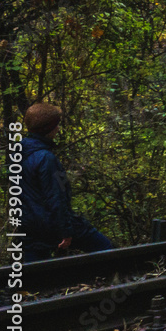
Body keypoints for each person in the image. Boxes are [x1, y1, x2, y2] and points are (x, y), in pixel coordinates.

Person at [20, 103, 113, 262]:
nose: (58, 129)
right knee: (110, 253)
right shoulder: (47, 159)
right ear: (49, 128)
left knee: (32, 277)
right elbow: (57, 197)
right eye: (56, 125)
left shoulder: (18, 154)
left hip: (28, 228)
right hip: (51, 225)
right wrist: (66, 231)